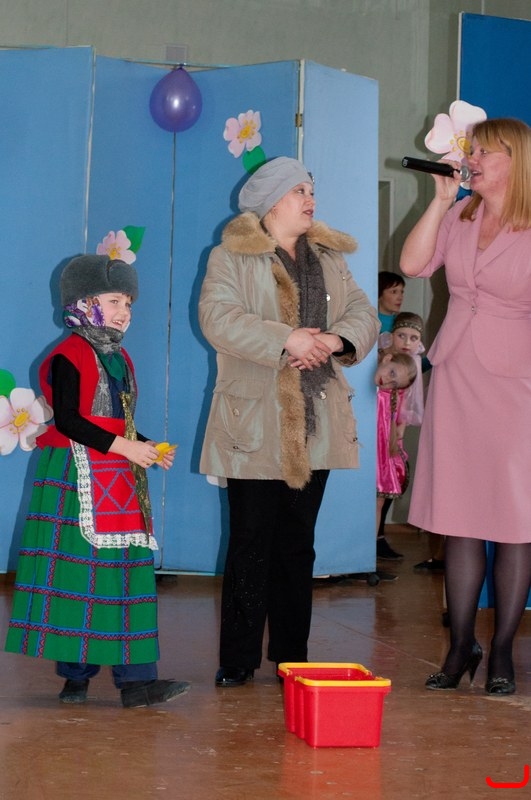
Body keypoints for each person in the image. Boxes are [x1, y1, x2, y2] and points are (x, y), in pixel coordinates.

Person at [198, 156, 379, 687]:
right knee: (250, 541)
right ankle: (238, 657)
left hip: (316, 420)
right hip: (254, 421)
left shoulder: (330, 257)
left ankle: (291, 654)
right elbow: (218, 319)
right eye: (299, 190)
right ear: (272, 201)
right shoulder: (230, 255)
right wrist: (288, 339)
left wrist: (334, 340)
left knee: (298, 543)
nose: (310, 199)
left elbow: (363, 314)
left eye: (311, 189)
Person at [5, 254, 191, 708]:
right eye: (114, 301)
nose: (124, 311)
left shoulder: (119, 357)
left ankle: (137, 682)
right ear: (84, 302)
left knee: (125, 573)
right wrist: (127, 447)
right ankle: (76, 678)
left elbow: (116, 420)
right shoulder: (68, 355)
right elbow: (70, 420)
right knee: (78, 576)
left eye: (128, 303)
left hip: (116, 474)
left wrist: (145, 445)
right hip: (74, 476)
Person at [400, 117, 531, 695]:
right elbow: (412, 265)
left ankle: (501, 649)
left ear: (515, 160)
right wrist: (439, 200)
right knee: (459, 516)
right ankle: (460, 646)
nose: (471, 160)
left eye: (484, 153)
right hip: (456, 372)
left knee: (515, 520)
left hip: (518, 384)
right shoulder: (459, 215)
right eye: (469, 151)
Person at [376, 311, 425, 561]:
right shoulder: (380, 362)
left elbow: (403, 412)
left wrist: (398, 439)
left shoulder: (411, 369)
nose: (407, 342)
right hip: (374, 438)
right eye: (401, 335)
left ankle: (377, 540)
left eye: (413, 338)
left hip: (390, 440)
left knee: (384, 493)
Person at [375, 351, 417, 549]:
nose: (387, 381)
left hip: (380, 458)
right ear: (387, 359)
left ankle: (369, 549)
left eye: (394, 384)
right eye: (391, 373)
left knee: (378, 503)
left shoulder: (386, 398)